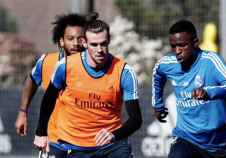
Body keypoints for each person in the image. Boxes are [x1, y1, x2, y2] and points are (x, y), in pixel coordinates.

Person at [34, 12, 142, 158]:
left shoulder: (124, 72)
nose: (99, 50)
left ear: (109, 41)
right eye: (94, 44)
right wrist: (40, 133)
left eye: (103, 44)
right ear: (84, 43)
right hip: (74, 145)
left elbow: (136, 119)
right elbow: (48, 100)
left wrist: (114, 135)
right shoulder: (65, 66)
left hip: (111, 145)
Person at [152, 19, 226, 158]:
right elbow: (157, 74)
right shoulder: (167, 64)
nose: (177, 51)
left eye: (182, 45)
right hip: (186, 138)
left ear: (195, 42)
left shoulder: (211, 61)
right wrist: (157, 105)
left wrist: (209, 92)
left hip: (218, 143)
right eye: (173, 46)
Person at [14, 13, 86, 156]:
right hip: (53, 139)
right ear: (61, 41)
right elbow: (31, 80)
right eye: (70, 39)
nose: (76, 43)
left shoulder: (95, 66)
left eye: (80, 39)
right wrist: (23, 112)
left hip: (84, 141)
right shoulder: (47, 61)